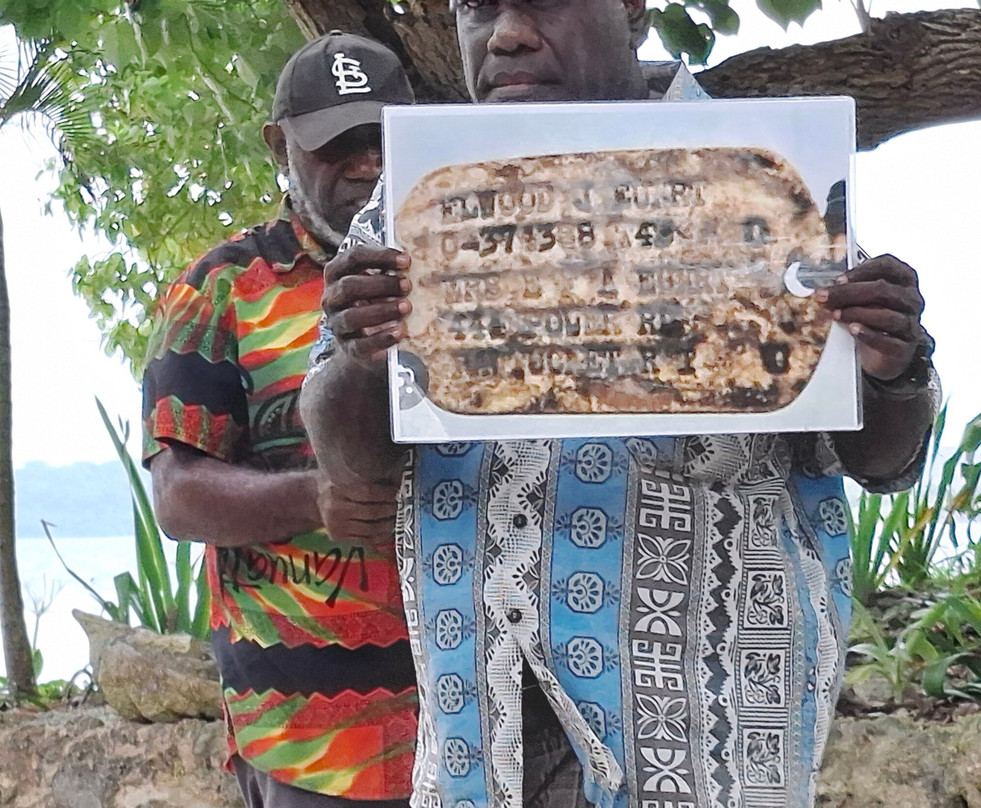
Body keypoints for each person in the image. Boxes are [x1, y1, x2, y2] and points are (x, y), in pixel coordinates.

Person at [300, 2, 939, 807]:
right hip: (486, 737)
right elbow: (350, 459)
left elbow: (882, 458)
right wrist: (361, 355)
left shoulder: (768, 178)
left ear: (632, 9)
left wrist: (892, 364)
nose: (504, 35)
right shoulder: (419, 196)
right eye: (474, 8)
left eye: (541, 3)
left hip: (704, 743)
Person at [142, 31, 417, 808]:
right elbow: (177, 494)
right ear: (281, 147)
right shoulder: (222, 289)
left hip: (478, 720)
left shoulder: (468, 263)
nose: (367, 164)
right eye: (338, 146)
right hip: (312, 741)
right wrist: (313, 499)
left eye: (383, 139)